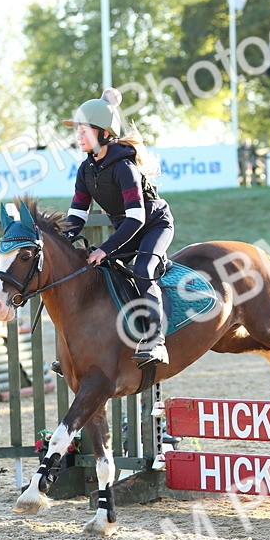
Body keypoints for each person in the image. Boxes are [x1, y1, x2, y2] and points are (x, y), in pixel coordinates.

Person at [61, 88, 173, 368]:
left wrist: (104, 249)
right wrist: (61, 241)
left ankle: (156, 341)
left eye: (84, 130)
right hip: (127, 230)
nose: (78, 136)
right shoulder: (85, 170)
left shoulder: (124, 167)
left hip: (154, 225)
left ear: (103, 133)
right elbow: (77, 215)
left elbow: (136, 218)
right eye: (77, 130)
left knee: (143, 270)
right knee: (97, 273)